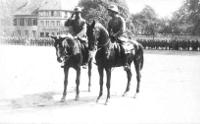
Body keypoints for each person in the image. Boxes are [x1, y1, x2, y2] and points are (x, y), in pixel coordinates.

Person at [107, 4, 129, 69]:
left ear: (114, 11)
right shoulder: (110, 20)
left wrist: (115, 35)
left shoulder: (120, 19)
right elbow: (107, 29)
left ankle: (125, 63)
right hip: (113, 37)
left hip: (122, 36)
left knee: (123, 47)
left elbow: (122, 30)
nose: (108, 12)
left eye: (109, 11)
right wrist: (108, 35)